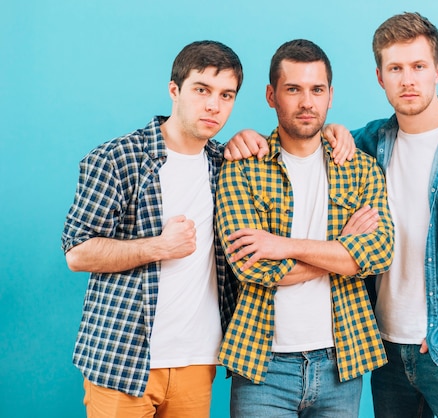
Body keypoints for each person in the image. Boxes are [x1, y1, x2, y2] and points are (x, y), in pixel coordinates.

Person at [227, 12, 438, 418]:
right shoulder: (367, 144)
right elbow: (308, 136)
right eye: (395, 68)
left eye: (418, 66)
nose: (407, 80)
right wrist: (243, 139)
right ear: (380, 76)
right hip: (384, 350)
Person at [60, 40, 355, 418]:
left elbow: (300, 139)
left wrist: (334, 130)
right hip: (123, 359)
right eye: (202, 90)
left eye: (226, 95)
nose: (214, 105)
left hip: (198, 361)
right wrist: (158, 247)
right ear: (174, 90)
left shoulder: (227, 163)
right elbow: (77, 251)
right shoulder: (118, 159)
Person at [215, 39, 394, 418]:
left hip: (340, 362)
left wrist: (284, 245)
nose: (306, 102)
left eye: (317, 89)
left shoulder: (359, 168)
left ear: (330, 95)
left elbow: (379, 253)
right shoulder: (243, 166)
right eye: (293, 89)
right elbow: (251, 267)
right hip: (263, 365)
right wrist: (344, 252)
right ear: (271, 95)